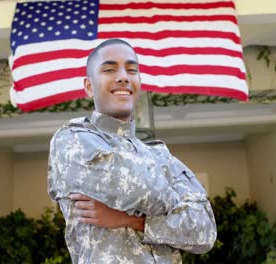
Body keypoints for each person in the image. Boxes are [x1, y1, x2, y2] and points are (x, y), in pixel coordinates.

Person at [48, 38, 216, 263]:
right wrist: (174, 201)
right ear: (89, 86)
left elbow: (204, 231)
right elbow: (139, 189)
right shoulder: (73, 139)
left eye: (132, 70)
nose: (123, 77)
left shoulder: (159, 154)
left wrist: (134, 220)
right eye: (109, 69)